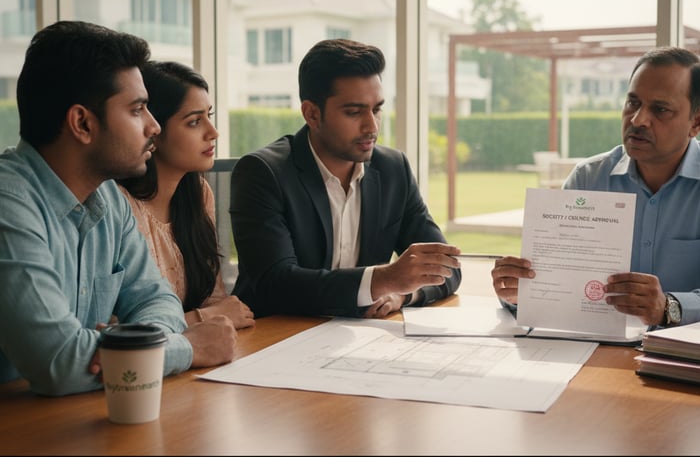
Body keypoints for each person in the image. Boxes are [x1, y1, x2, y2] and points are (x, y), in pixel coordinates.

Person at [0, 20, 237, 396]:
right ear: (82, 123)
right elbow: (60, 362)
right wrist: (189, 347)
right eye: (138, 110)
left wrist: (123, 345)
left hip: (74, 419)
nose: (154, 127)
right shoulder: (8, 205)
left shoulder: (108, 199)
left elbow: (159, 301)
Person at [492, 46, 700, 328]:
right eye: (633, 103)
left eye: (660, 109)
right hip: (598, 350)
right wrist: (519, 291)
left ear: (696, 122)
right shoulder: (588, 179)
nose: (638, 120)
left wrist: (671, 307)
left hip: (693, 356)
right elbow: (558, 284)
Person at [230, 38, 462, 319]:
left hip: (360, 339)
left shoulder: (393, 169)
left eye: (376, 109)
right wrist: (381, 280)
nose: (372, 126)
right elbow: (275, 284)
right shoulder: (263, 172)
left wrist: (404, 293)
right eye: (354, 112)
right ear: (312, 114)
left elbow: (447, 268)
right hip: (275, 336)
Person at [116, 61, 255, 329]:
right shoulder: (121, 205)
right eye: (194, 122)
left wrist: (213, 316)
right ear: (153, 129)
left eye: (209, 117)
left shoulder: (199, 193)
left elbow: (215, 301)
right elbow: (122, 329)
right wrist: (205, 319)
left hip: (195, 352)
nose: (212, 133)